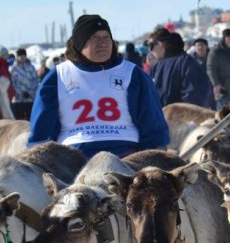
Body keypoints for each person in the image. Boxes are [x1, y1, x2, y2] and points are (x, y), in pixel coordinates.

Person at [28, 14, 169, 158]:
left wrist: (152, 155)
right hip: (73, 159)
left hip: (126, 156)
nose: (103, 43)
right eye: (94, 38)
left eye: (106, 37)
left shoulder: (131, 73)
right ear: (80, 43)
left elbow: (153, 123)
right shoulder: (58, 76)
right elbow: (42, 133)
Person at [149, 28, 214, 107]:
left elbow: (194, 96)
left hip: (179, 117)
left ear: (160, 44)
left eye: (151, 46)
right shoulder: (156, 67)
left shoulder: (185, 63)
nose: (150, 50)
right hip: (169, 116)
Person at [10, 48, 38, 120]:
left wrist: (30, 93)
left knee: (30, 119)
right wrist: (21, 93)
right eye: (20, 56)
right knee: (19, 120)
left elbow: (35, 81)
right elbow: (12, 83)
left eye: (23, 55)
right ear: (17, 57)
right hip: (18, 100)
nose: (22, 57)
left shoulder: (31, 67)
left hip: (30, 99)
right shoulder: (13, 69)